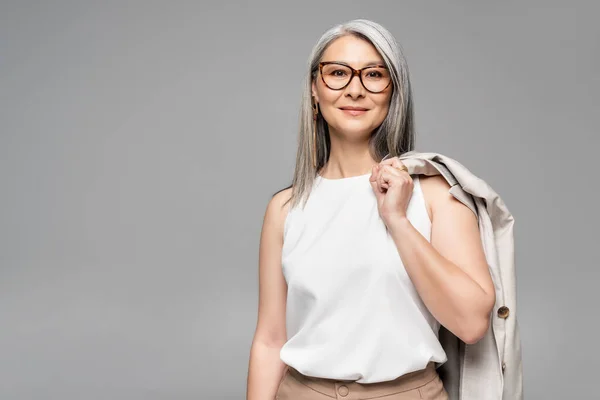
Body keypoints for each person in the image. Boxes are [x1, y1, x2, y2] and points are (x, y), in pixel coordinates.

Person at [247, 19, 496, 400]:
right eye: (338, 73)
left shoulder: (436, 195)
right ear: (314, 90)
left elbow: (471, 322)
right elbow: (269, 340)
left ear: (394, 92)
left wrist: (396, 220)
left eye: (374, 74)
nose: (355, 89)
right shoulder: (285, 208)